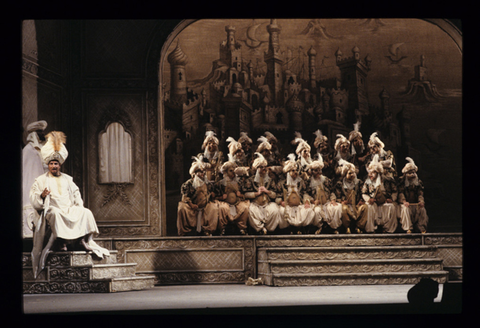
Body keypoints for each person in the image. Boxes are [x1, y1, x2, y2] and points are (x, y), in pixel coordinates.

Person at [29, 131, 110, 279]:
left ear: (60, 165)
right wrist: (42, 196)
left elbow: (76, 195)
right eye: (51, 163)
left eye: (56, 163)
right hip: (52, 209)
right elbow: (34, 198)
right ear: (48, 165)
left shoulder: (68, 179)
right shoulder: (41, 180)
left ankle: (81, 240)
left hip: (68, 208)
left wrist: (78, 206)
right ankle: (61, 242)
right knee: (55, 213)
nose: (54, 166)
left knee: (85, 212)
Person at [177, 155, 220, 236]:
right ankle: (184, 231)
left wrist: (212, 195)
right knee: (182, 208)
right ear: (194, 173)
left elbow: (212, 192)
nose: (203, 173)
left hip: (205, 205)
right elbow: (185, 196)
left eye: (203, 171)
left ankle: (208, 230)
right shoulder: (188, 184)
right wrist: (191, 204)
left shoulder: (207, 183)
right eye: (200, 172)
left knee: (214, 207)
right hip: (192, 206)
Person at [243, 153, 284, 234]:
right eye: (261, 167)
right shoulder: (250, 180)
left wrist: (267, 191)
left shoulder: (270, 180)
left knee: (275, 210)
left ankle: (269, 229)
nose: (264, 169)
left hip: (267, 204)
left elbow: (275, 195)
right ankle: (260, 229)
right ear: (256, 168)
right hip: (256, 204)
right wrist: (256, 193)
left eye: (265, 167)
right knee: (250, 210)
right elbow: (245, 194)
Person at [357, 154, 398, 233]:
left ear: (378, 172)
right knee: (369, 206)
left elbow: (394, 191)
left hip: (384, 202)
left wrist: (392, 199)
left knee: (391, 207)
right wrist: (368, 199)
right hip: (373, 202)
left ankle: (387, 229)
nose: (370, 175)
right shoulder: (368, 181)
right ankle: (371, 229)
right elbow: (364, 193)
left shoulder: (387, 180)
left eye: (373, 173)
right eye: (369, 173)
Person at [304, 154, 342, 234]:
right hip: (316, 203)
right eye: (316, 170)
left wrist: (332, 200)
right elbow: (306, 194)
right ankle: (320, 227)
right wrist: (312, 201)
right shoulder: (309, 182)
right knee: (317, 211)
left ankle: (334, 228)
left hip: (327, 202)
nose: (318, 172)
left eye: (319, 170)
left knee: (336, 208)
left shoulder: (326, 180)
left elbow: (332, 191)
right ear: (312, 171)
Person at [23, 120, 48, 238]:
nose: (43, 135)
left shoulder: (41, 150)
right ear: (34, 134)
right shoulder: (28, 150)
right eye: (40, 132)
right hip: (30, 186)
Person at [278, 154, 315, 234]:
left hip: (299, 204)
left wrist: (306, 201)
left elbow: (305, 193)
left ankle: (301, 229)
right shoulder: (282, 184)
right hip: (287, 205)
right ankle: (288, 230)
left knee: (308, 210)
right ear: (288, 172)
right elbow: (278, 195)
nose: (296, 172)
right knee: (281, 211)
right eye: (293, 171)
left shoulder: (300, 182)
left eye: (296, 170)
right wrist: (281, 202)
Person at [216, 153, 250, 235]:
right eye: (231, 171)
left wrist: (240, 195)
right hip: (225, 203)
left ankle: (242, 228)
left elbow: (245, 194)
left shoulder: (239, 182)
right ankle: (222, 229)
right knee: (222, 208)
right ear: (226, 171)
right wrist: (221, 197)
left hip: (237, 202)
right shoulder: (221, 183)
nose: (233, 173)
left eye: (234, 171)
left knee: (244, 208)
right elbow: (215, 196)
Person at [397, 157, 429, 233]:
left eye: (414, 172)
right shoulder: (402, 181)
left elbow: (420, 193)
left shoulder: (418, 182)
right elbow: (400, 193)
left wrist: (421, 201)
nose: (412, 175)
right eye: (410, 173)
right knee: (405, 209)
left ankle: (422, 227)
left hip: (415, 204)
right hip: (404, 204)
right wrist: (404, 201)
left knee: (422, 209)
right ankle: (408, 228)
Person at [334, 159, 364, 234]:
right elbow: (337, 196)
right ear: (345, 174)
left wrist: (361, 200)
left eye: (353, 173)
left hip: (356, 204)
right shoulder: (340, 183)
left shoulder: (359, 182)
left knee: (365, 207)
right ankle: (347, 227)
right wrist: (341, 201)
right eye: (350, 173)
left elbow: (363, 193)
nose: (352, 175)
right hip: (346, 204)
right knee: (343, 209)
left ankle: (359, 227)